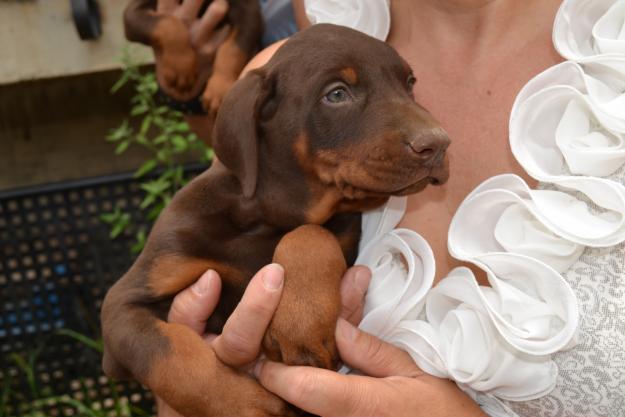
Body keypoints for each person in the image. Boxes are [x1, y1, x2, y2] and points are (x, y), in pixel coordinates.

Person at [149, 0, 624, 416]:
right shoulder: (286, 77)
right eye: (338, 95)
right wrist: (190, 393)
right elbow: (191, 359)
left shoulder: (611, 65)